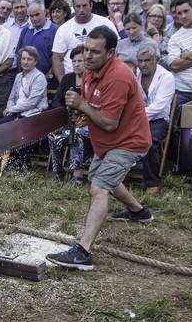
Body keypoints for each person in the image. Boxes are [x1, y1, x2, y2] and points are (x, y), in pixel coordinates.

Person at [47, 28, 155, 271]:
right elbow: (93, 108)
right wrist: (79, 111)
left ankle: (82, 252)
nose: (88, 55)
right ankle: (139, 212)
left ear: (111, 53)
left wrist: (82, 105)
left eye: (95, 52)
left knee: (99, 187)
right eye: (86, 49)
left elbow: (110, 122)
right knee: (104, 177)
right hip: (107, 142)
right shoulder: (90, 71)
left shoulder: (118, 77)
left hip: (128, 142)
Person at [48, 46, 92, 183]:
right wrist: (65, 111)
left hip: (88, 123)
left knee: (77, 134)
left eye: (80, 61)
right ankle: (58, 171)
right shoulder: (68, 78)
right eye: (74, 61)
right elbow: (56, 100)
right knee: (53, 135)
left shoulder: (92, 80)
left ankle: (77, 175)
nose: (77, 64)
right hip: (69, 120)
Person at [135, 45, 175, 193]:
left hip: (158, 119)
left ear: (155, 60)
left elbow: (159, 106)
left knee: (149, 141)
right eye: (140, 60)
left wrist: (135, 116)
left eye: (147, 60)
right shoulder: (137, 74)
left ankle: (152, 182)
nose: (143, 64)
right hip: (137, 116)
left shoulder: (166, 77)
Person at [50, 0, 116, 82]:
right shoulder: (63, 29)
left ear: (91, 5)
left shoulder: (105, 23)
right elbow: (56, 58)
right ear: (73, 7)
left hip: (101, 79)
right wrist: (63, 82)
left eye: (84, 5)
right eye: (78, 6)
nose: (81, 9)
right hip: (72, 81)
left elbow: (115, 51)